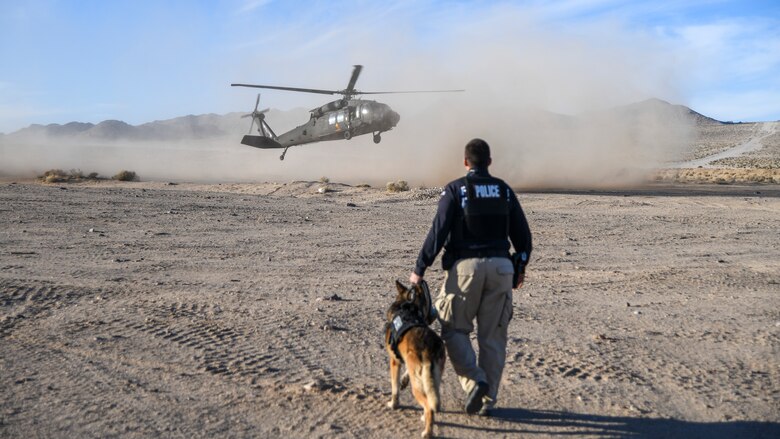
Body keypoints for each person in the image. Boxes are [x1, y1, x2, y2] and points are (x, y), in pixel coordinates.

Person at [409, 138, 532, 416]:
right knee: (493, 338)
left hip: (465, 269)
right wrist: (520, 266)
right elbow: (523, 238)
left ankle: (475, 380)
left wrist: (419, 269)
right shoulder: (504, 191)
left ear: (466, 163)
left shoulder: (456, 190)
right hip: (502, 268)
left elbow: (438, 232)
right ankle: (488, 399)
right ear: (489, 162)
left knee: (453, 329)